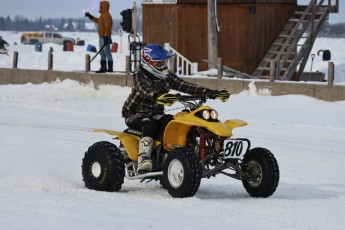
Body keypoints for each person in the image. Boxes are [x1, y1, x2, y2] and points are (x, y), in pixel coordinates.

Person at [122, 44, 220, 172]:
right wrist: (157, 95)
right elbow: (144, 89)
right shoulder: (139, 75)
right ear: (148, 62)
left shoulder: (166, 76)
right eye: (159, 63)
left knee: (173, 123)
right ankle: (143, 158)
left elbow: (184, 85)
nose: (162, 65)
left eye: (164, 62)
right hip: (135, 114)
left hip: (156, 113)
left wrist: (207, 92)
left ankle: (174, 155)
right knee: (149, 124)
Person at [85, 0, 113, 73]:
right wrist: (90, 16)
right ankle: (103, 68)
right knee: (102, 53)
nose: (100, 7)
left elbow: (107, 27)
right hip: (101, 37)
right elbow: (98, 21)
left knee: (107, 51)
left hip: (105, 37)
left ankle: (110, 68)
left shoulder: (107, 15)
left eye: (101, 6)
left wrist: (106, 37)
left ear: (105, 7)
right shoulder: (103, 15)